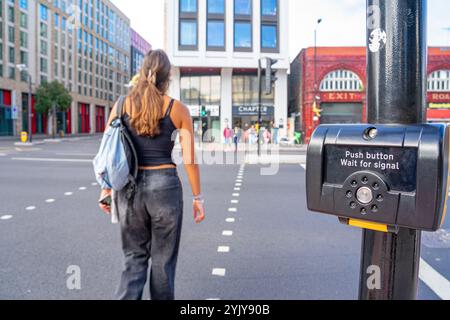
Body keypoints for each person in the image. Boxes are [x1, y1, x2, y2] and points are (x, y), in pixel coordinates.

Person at [98, 49, 205, 300]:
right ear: (167, 78)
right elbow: (189, 159)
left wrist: (105, 188)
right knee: (162, 262)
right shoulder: (177, 109)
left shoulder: (122, 105)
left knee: (133, 259)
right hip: (165, 187)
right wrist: (198, 197)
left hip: (128, 188)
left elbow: (108, 151)